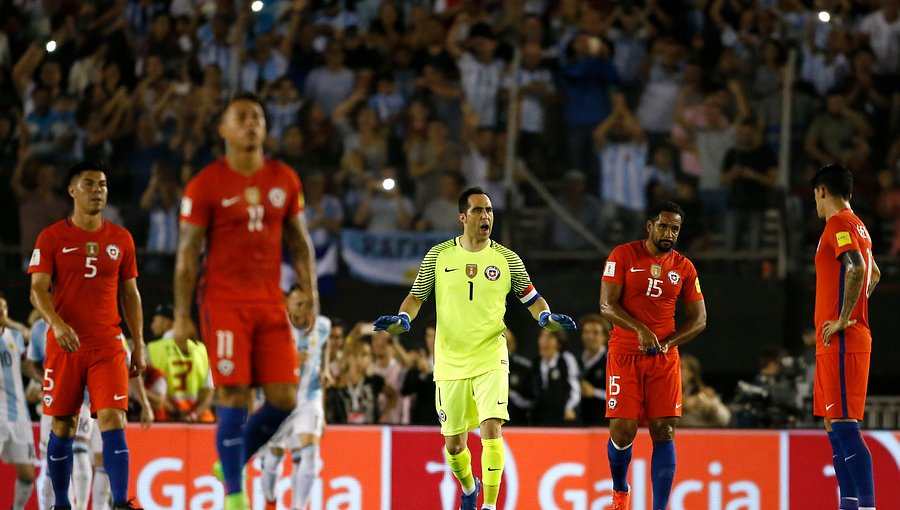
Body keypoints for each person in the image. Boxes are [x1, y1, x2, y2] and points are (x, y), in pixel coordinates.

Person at [373, 187, 577, 510]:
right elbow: (416, 297)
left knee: (491, 427)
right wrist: (402, 318)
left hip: (490, 355)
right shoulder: (439, 256)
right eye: (479, 210)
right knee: (454, 445)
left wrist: (546, 316)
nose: (486, 216)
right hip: (450, 360)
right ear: (463, 217)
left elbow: (532, 298)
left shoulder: (508, 260)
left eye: (490, 211)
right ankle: (469, 488)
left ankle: (490, 506)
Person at [173, 92, 318, 510]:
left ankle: (231, 462)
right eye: (240, 117)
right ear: (223, 129)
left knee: (285, 399)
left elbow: (300, 242)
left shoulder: (284, 178)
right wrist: (182, 316)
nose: (251, 123)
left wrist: (309, 294)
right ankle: (236, 496)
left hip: (269, 303)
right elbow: (186, 256)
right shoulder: (205, 184)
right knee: (234, 396)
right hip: (223, 303)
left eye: (257, 116)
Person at [27, 160, 146, 510]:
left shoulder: (121, 239)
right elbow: (37, 290)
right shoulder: (51, 237)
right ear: (73, 190)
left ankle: (121, 503)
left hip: (107, 344)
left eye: (104, 185)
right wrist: (57, 324)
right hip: (65, 344)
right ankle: (62, 503)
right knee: (63, 425)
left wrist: (137, 344)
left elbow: (131, 295)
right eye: (90, 184)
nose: (98, 190)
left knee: (113, 417)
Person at [599, 201, 707, 510]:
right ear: (650, 226)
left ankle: (660, 507)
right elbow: (607, 305)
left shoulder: (684, 267)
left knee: (664, 429)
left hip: (663, 359)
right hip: (625, 354)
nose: (669, 233)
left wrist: (671, 341)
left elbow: (699, 319)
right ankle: (621, 488)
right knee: (623, 431)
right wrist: (640, 330)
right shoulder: (623, 255)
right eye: (663, 226)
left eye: (675, 228)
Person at [811, 164, 880, 510]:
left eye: (816, 197)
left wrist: (844, 318)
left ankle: (865, 506)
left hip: (842, 340)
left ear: (822, 191)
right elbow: (874, 273)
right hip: (836, 342)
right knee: (833, 425)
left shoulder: (838, 224)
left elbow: (855, 267)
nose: (816, 204)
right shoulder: (860, 227)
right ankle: (848, 504)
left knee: (845, 425)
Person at [259, 285, 331, 510]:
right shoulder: (274, 329)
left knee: (311, 455)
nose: (305, 310)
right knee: (273, 459)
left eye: (308, 304)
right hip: (280, 398)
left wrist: (325, 368)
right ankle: (271, 500)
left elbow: (325, 344)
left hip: (310, 396)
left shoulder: (322, 325)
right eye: (299, 304)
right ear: (287, 305)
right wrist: (289, 362)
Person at [146, 304, 214, 423]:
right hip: (197, 419)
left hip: (165, 418)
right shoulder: (201, 349)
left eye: (154, 320)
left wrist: (175, 411)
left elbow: (148, 390)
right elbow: (209, 391)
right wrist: (193, 415)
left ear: (166, 322)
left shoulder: (152, 349)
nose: (152, 325)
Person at [0, 295, 36, 510]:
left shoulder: (14, 335)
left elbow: (25, 364)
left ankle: (17, 508)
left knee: (28, 474)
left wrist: (42, 380)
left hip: (19, 415)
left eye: (4, 307)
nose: (2, 311)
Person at [579, 314, 609, 425]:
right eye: (586, 332)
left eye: (595, 333)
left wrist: (594, 392)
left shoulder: (612, 362)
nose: (590, 337)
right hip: (581, 423)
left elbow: (621, 396)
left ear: (605, 336)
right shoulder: (576, 361)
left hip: (604, 423)